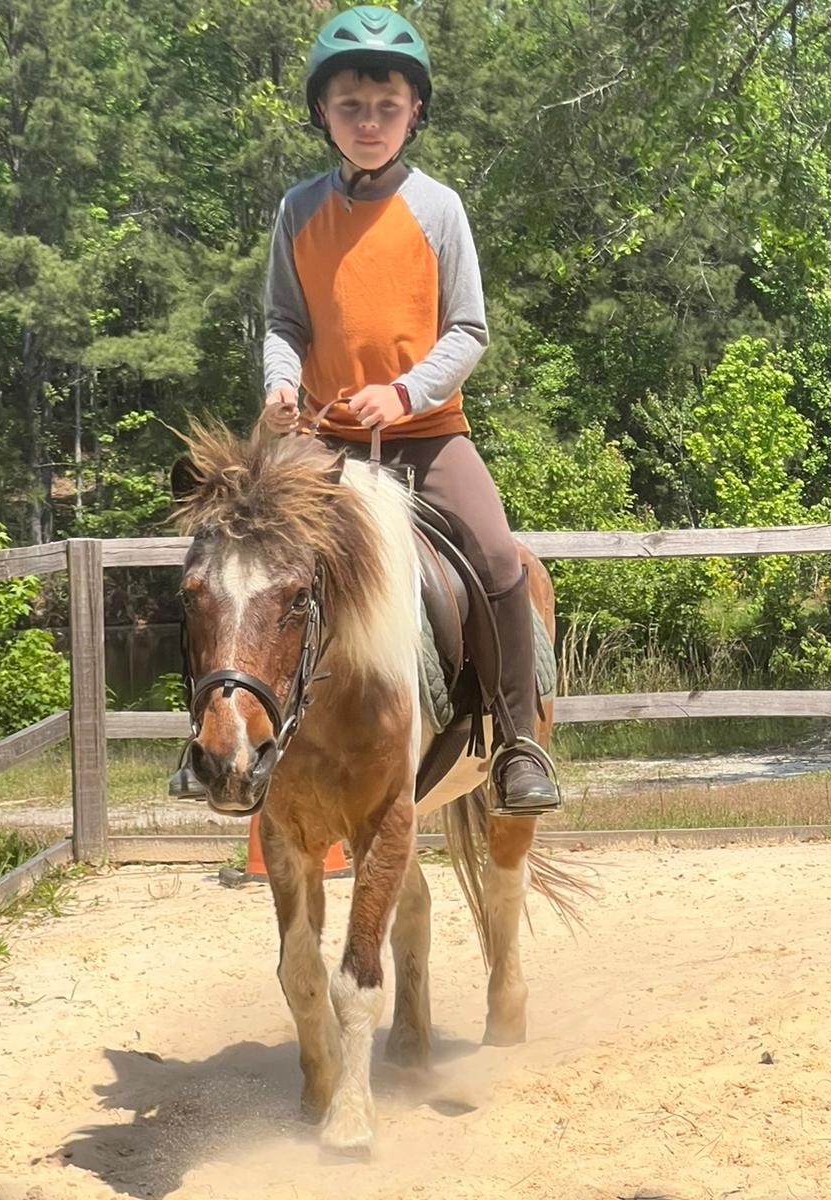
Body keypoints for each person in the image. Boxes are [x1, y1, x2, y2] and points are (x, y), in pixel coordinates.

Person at [258, 4, 559, 814]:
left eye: (387, 107)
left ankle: (516, 738)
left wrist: (404, 391)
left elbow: (470, 329)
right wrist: (280, 385)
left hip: (426, 437)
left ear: (414, 111)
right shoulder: (298, 210)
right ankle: (232, 741)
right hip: (322, 446)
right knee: (244, 563)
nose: (369, 122)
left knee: (498, 560)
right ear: (323, 112)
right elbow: (285, 321)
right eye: (351, 106)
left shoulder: (439, 208)